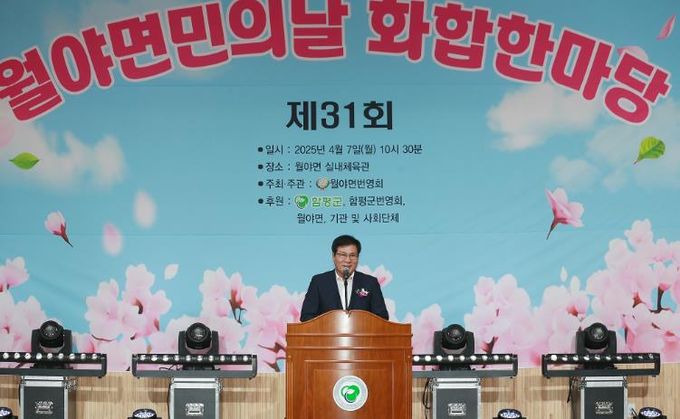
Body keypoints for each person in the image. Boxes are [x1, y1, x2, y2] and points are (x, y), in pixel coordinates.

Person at [300, 235, 389, 322]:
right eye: (343, 255)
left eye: (352, 255)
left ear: (358, 257)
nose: (348, 260)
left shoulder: (370, 283)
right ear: (333, 256)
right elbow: (306, 317)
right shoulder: (319, 282)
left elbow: (382, 317)